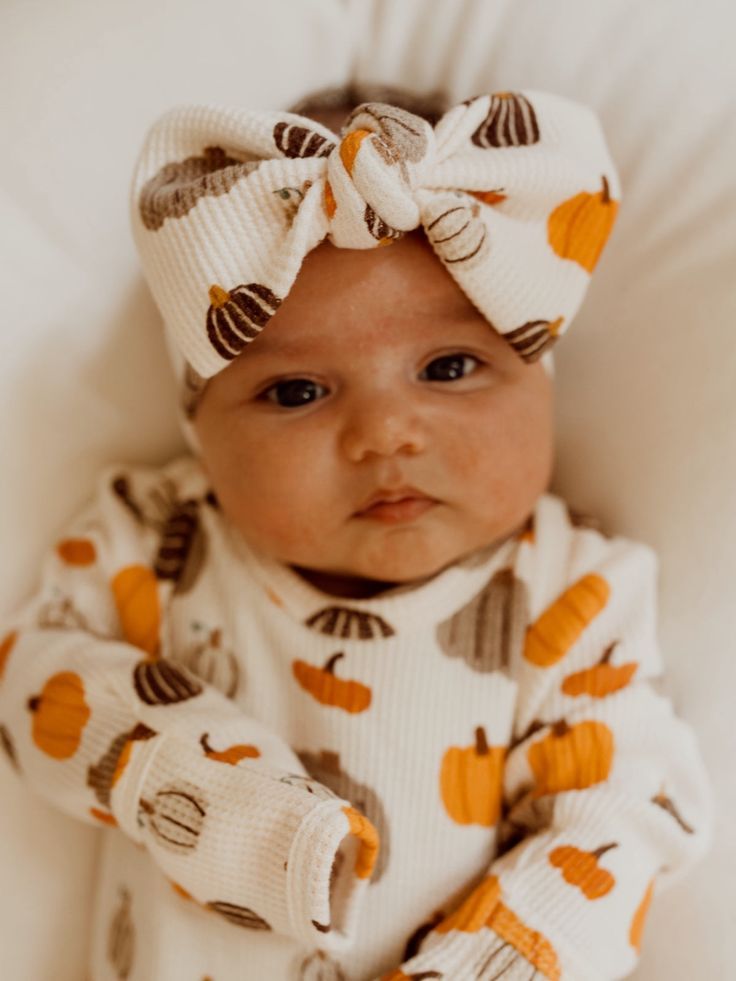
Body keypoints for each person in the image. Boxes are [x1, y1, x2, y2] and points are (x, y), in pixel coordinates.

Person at [0, 83, 714, 980]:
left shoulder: (570, 591)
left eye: (450, 367)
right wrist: (203, 789)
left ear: (543, 380)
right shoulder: (161, 540)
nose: (386, 433)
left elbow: (617, 820)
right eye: (296, 391)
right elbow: (37, 683)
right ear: (200, 426)